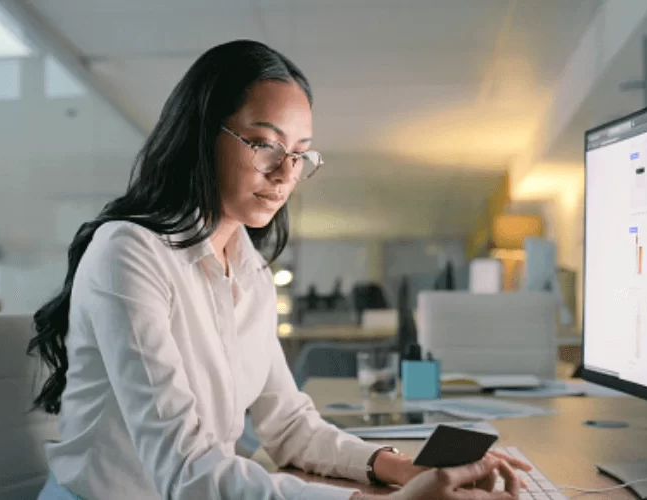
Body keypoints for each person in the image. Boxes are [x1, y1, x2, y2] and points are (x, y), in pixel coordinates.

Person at [28, 40, 530, 500]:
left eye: (299, 153)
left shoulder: (250, 272)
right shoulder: (129, 253)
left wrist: (401, 468)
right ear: (203, 136)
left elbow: (289, 426)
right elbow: (185, 471)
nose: (287, 172)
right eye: (265, 144)